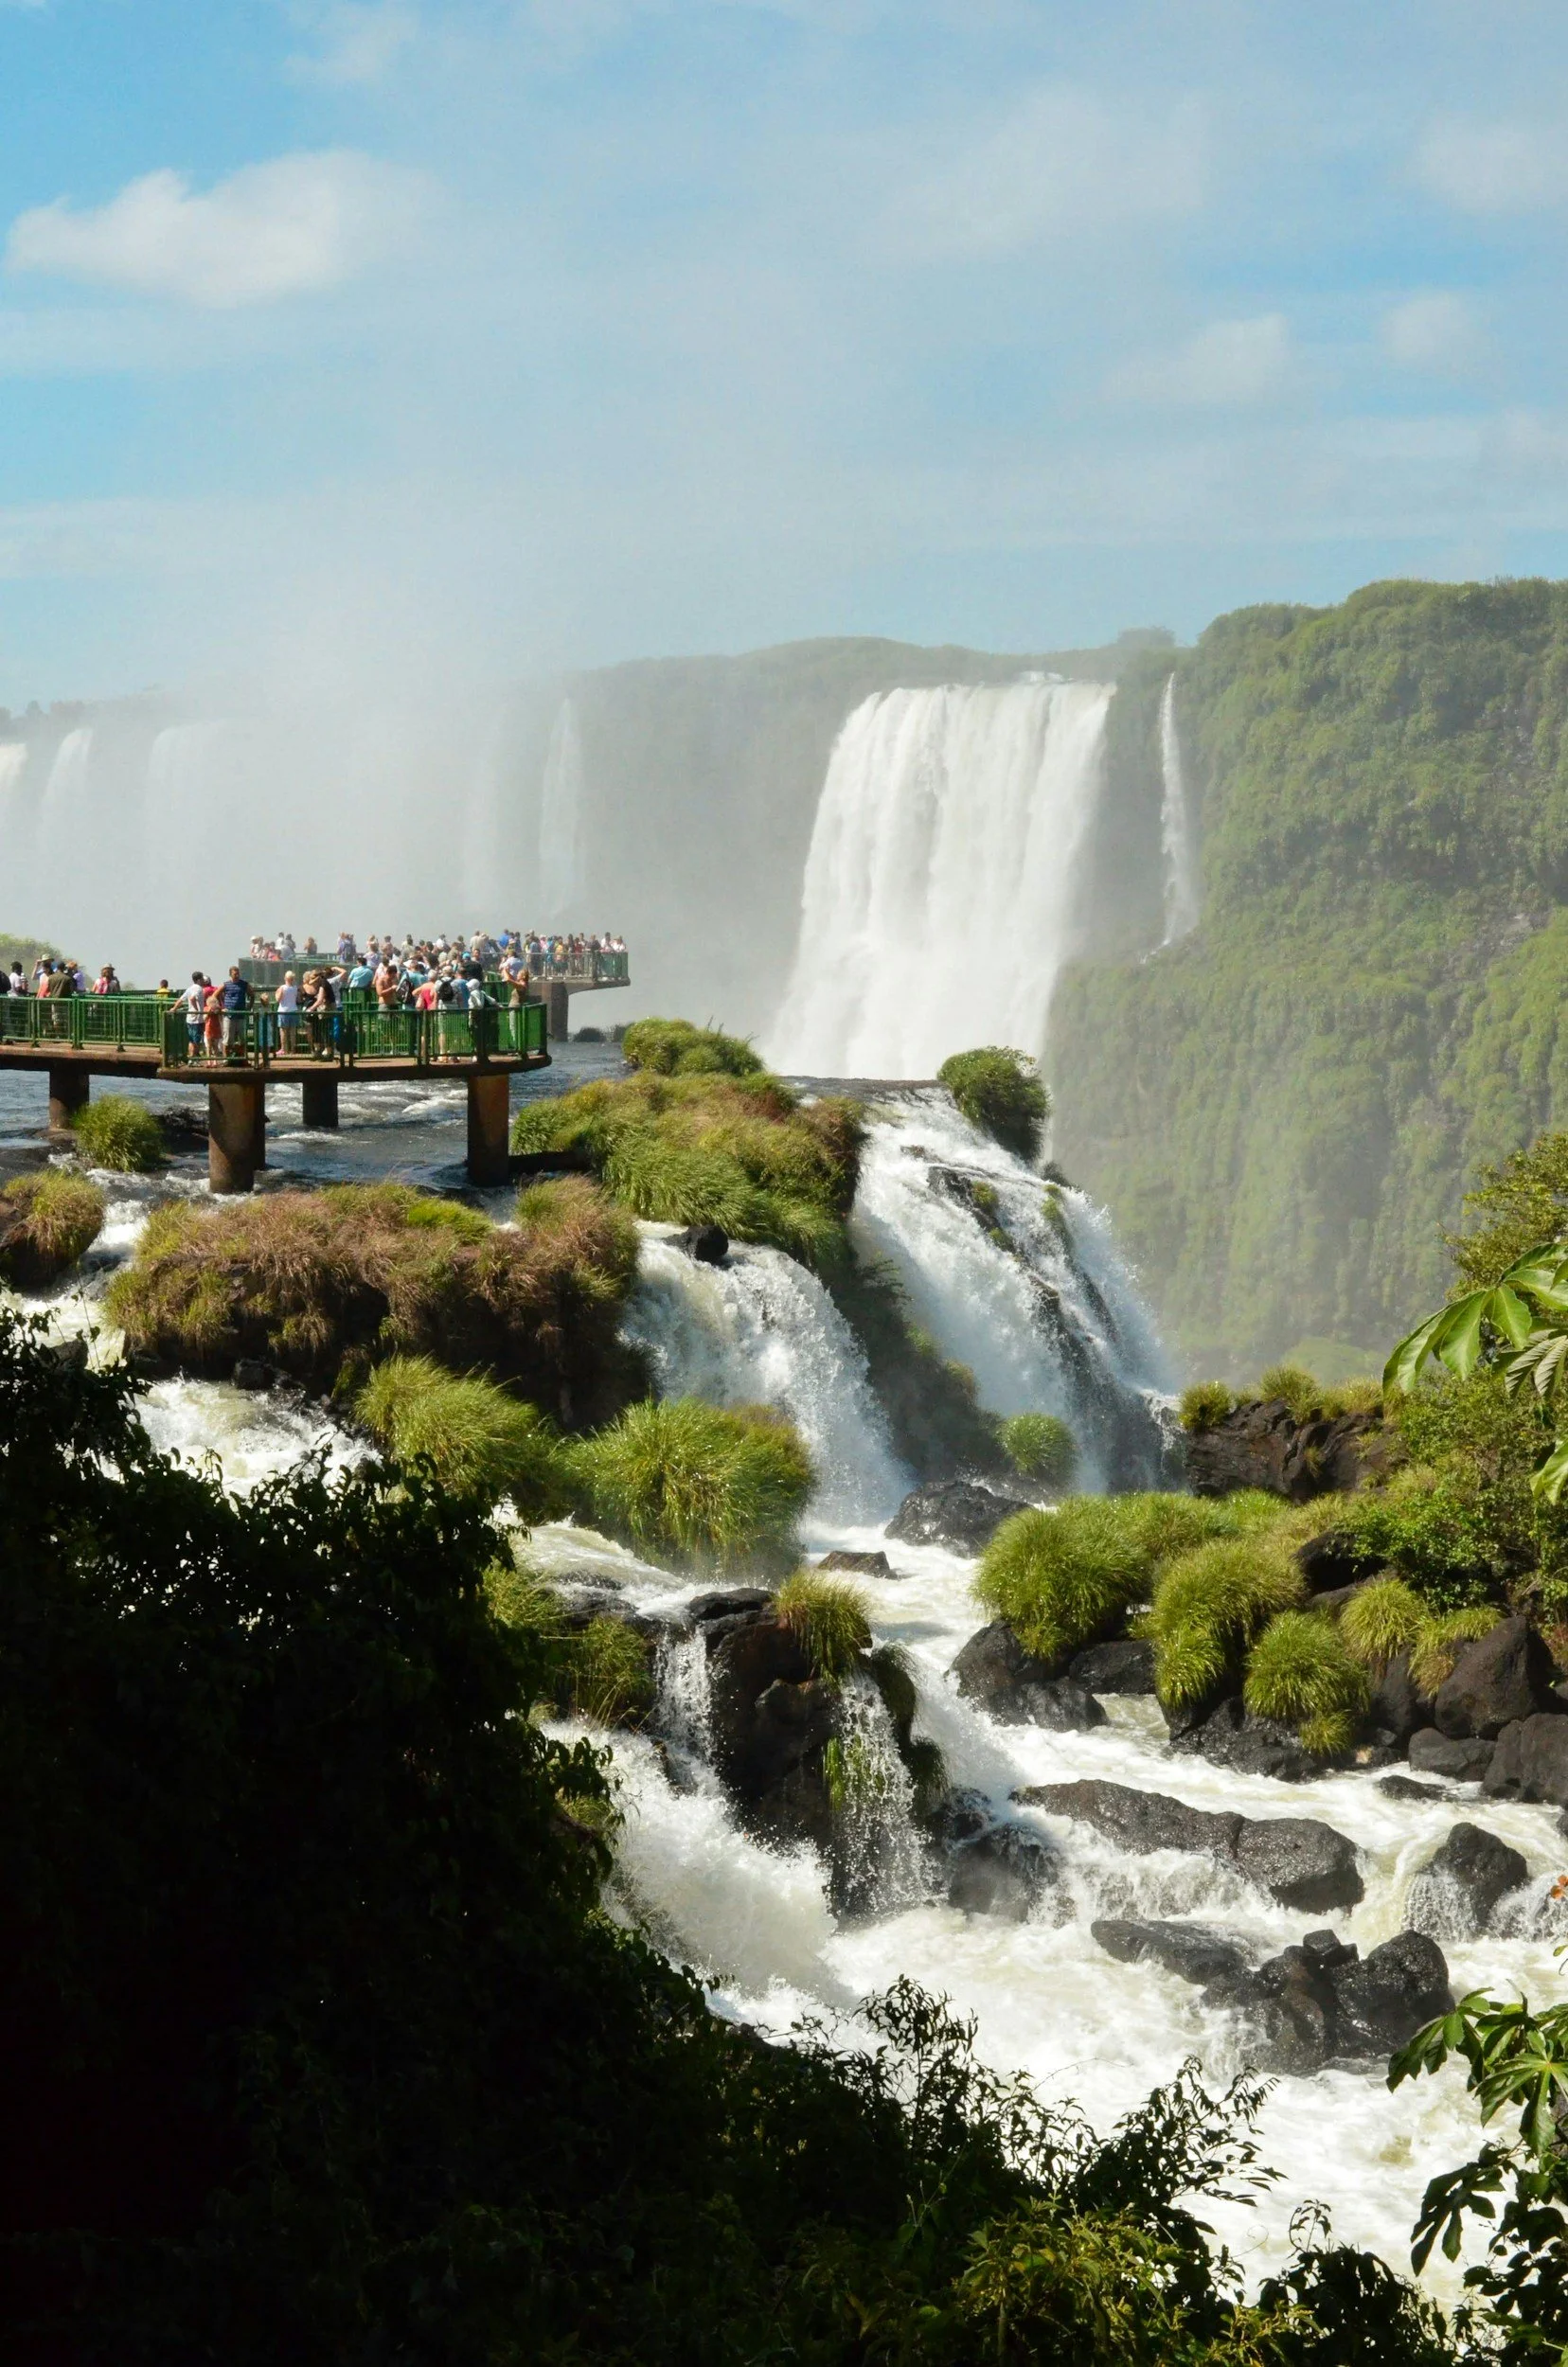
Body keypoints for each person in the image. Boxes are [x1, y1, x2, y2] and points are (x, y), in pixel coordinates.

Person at [276, 969, 301, 1054]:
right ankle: (293, 1050)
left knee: (283, 1031)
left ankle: (283, 1049)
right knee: (293, 1032)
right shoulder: (295, 988)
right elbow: (298, 999)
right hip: (293, 1010)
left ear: (285, 978)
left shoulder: (282, 988)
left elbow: (278, 999)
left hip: (283, 1011)